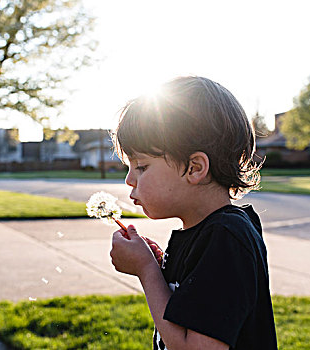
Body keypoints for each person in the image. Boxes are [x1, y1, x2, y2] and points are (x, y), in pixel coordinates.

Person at [110, 76, 278, 350]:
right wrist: (159, 268)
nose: (129, 180)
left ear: (194, 168)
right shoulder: (205, 235)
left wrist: (146, 271)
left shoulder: (227, 239)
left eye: (141, 166)